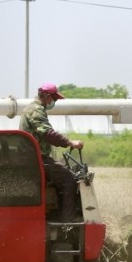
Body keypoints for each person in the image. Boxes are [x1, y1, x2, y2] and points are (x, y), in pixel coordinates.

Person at [20, 83, 85, 221]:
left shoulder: (31, 109)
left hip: (34, 158)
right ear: (47, 97)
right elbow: (48, 133)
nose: (53, 102)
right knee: (70, 180)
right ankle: (68, 220)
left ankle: (58, 214)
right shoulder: (36, 110)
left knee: (63, 173)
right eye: (54, 99)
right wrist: (70, 142)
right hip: (37, 160)